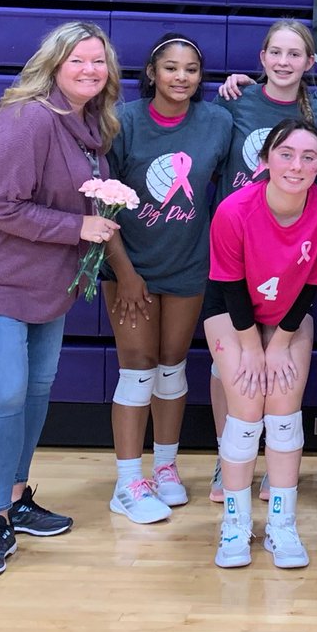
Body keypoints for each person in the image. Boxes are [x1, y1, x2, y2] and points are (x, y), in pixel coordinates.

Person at [0, 21, 123, 577]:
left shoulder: (88, 122)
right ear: (53, 65)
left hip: (46, 281)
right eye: (78, 61)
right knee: (8, 390)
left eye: (99, 61)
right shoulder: (27, 120)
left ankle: (18, 497)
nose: (90, 70)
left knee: (38, 389)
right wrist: (80, 228)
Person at [102, 35, 233, 524]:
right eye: (171, 68)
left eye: (192, 69)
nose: (181, 77)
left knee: (172, 367)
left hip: (187, 263)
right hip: (130, 265)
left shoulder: (218, 122)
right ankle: (126, 481)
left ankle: (164, 467)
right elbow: (99, 206)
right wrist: (125, 272)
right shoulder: (122, 122)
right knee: (137, 368)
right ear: (152, 72)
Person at [206, 119, 317, 569]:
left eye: (308, 157)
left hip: (289, 316)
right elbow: (229, 288)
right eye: (286, 154)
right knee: (246, 407)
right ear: (264, 160)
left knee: (284, 412)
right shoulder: (234, 209)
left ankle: (282, 524)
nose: (296, 165)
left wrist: (279, 344)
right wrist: (251, 347)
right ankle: (235, 523)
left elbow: (312, 287)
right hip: (233, 313)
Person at [211, 20, 317, 503]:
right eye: (275, 52)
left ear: (309, 62)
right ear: (261, 57)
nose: (283, 62)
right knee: (235, 377)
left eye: (294, 53)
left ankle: (278, 499)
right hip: (238, 246)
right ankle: (228, 462)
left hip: (292, 252)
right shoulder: (234, 100)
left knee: (277, 393)